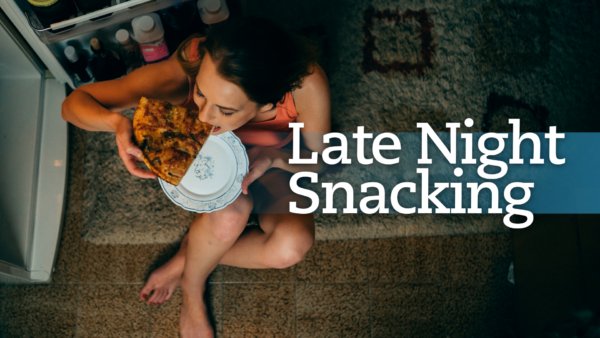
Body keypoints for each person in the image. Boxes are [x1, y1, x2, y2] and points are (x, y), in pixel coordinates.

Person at [61, 17, 331, 338]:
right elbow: (73, 105)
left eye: (226, 111)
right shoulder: (192, 62)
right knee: (232, 213)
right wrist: (117, 124)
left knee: (291, 246)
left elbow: (320, 159)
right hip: (206, 168)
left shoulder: (305, 83)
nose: (204, 116)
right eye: (201, 94)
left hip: (269, 165)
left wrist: (275, 158)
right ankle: (192, 288)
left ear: (268, 102)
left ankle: (192, 252)